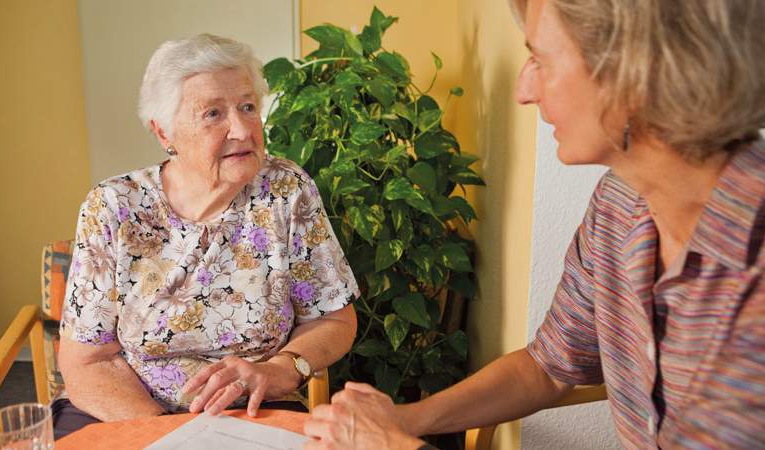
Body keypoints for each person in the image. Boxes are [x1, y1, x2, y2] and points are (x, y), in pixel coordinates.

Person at [303, 0, 765, 448]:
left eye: (540, 59)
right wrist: (403, 420)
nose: (524, 90)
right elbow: (546, 368)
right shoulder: (619, 205)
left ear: (637, 71)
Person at [55, 34, 360, 438]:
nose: (242, 129)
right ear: (164, 133)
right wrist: (176, 436)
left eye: (248, 107)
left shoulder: (286, 192)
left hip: (255, 411)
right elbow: (88, 362)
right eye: (213, 114)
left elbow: (335, 318)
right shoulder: (113, 207)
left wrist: (283, 368)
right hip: (126, 411)